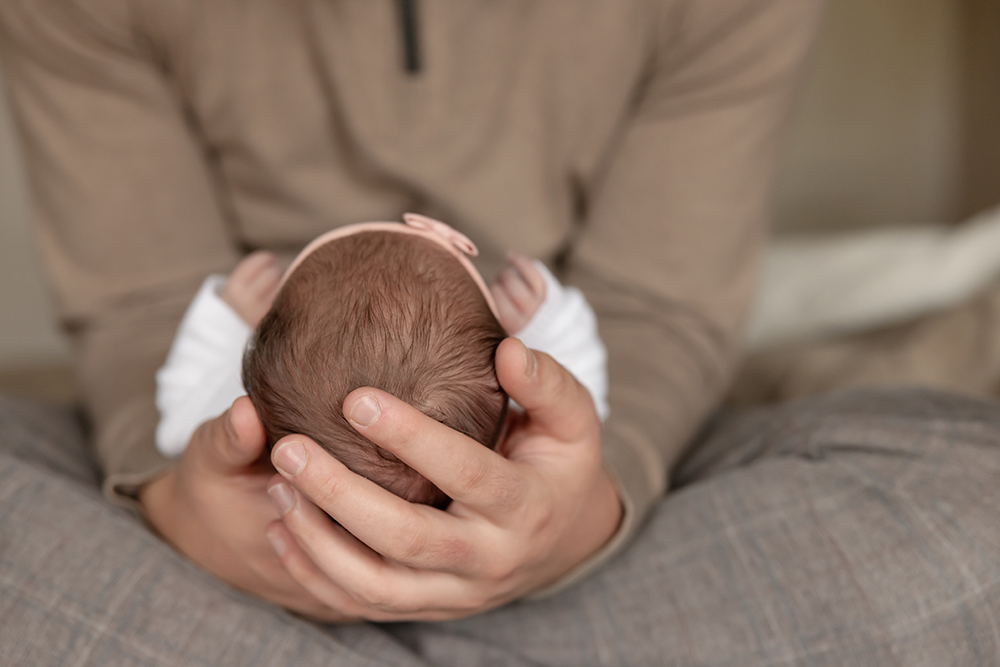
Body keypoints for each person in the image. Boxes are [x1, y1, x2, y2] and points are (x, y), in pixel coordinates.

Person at [10, 1, 996, 664]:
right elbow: (148, 325)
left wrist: (582, 514)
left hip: (568, 500)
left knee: (973, 501)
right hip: (239, 528)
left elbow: (642, 323)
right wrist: (181, 506)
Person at [156, 214, 608, 506]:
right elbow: (584, 407)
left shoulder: (238, 413)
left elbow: (176, 424)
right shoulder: (517, 451)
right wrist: (547, 326)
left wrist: (227, 319)